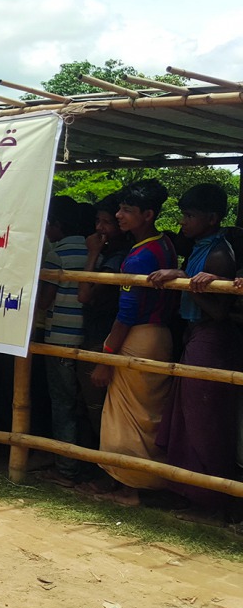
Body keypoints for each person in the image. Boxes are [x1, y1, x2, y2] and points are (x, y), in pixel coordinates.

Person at [83, 179, 178, 506]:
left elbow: (126, 314)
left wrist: (105, 359)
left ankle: (130, 487)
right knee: (147, 415)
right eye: (120, 209)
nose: (120, 215)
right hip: (159, 335)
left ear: (148, 214)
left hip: (137, 336)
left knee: (127, 419)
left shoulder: (139, 256)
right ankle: (145, 482)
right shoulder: (164, 244)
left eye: (127, 210)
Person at [148, 184, 240, 513]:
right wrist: (184, 274)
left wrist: (191, 285)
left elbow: (219, 312)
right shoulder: (200, 246)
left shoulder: (218, 253)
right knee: (186, 418)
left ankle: (212, 501)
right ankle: (187, 491)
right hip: (195, 335)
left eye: (190, 216)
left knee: (204, 420)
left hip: (211, 338)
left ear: (212, 219)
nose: (183, 222)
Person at [36, 196, 92, 487]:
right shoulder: (92, 249)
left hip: (59, 338)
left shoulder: (57, 252)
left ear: (57, 224)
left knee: (62, 403)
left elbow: (44, 301)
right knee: (86, 404)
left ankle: (66, 468)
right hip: (87, 337)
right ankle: (88, 464)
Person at [77, 193, 130, 444]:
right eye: (98, 221)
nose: (100, 228)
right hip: (103, 335)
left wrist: (92, 255)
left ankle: (104, 469)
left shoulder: (117, 258)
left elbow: (85, 295)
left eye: (106, 222)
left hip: (105, 337)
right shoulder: (113, 253)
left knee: (97, 406)